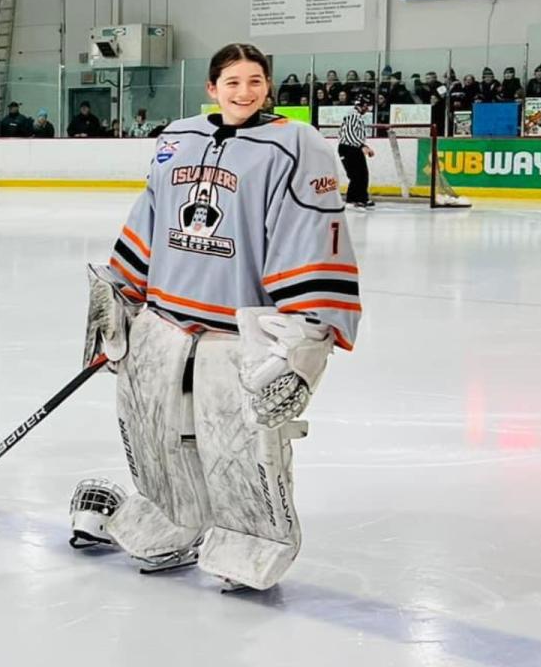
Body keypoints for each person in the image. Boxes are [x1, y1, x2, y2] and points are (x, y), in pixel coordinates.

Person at [81, 42, 360, 591]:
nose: (244, 92)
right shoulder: (177, 139)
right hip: (165, 320)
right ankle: (171, 520)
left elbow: (314, 235)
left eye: (255, 81)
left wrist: (305, 336)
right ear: (212, 88)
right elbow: (151, 215)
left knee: (238, 445)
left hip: (235, 331)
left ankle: (249, 540)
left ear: (268, 87)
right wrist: (119, 292)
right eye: (232, 82)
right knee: (158, 434)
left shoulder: (296, 146)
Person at [338, 92, 375, 209]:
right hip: (348, 148)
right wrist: (361, 146)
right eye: (367, 106)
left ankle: (362, 198)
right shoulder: (353, 115)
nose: (368, 108)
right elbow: (349, 134)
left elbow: (354, 135)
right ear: (362, 105)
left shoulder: (357, 116)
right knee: (356, 175)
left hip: (353, 147)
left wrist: (364, 146)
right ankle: (352, 199)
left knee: (362, 174)